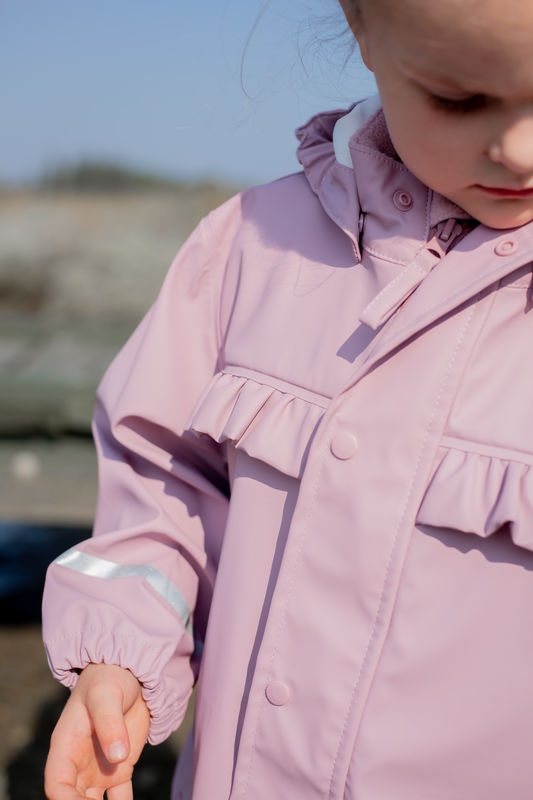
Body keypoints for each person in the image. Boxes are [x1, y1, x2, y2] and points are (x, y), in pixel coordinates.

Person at [42, 0, 533, 797]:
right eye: (458, 99)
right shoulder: (248, 245)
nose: (517, 150)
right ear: (361, 25)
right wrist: (121, 652)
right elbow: (162, 481)